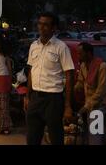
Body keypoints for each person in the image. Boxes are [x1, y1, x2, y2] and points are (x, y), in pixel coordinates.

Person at [25, 12, 75, 145]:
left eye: (46, 25)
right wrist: (27, 96)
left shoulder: (61, 47)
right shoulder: (33, 46)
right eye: (40, 24)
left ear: (53, 28)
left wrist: (68, 106)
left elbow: (69, 75)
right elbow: (31, 71)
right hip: (35, 98)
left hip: (53, 99)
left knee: (55, 138)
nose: (42, 27)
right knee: (32, 138)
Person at [74, 42, 106, 145]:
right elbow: (81, 82)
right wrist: (71, 89)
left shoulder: (102, 66)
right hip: (89, 103)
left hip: (99, 104)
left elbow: (101, 91)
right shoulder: (83, 65)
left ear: (89, 53)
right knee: (94, 131)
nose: (78, 56)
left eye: (80, 54)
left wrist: (86, 106)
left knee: (94, 134)